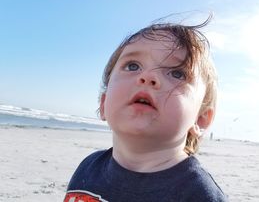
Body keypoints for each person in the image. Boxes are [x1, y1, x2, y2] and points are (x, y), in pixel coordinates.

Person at [64, 15, 228, 202]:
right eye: (132, 66)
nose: (148, 76)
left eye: (176, 73)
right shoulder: (88, 167)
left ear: (200, 119)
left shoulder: (199, 195)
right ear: (103, 103)